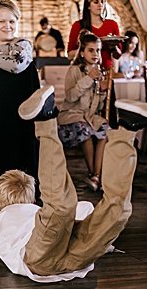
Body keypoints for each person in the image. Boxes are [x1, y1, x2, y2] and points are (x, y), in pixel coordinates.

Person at [0, 80, 147, 280]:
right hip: (69, 256)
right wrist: (102, 238)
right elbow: (85, 207)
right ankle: (126, 129)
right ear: (30, 196)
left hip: (41, 257)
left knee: (66, 207)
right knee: (114, 210)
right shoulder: (31, 211)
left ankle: (48, 120)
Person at [0, 0, 40, 184]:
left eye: (12, 21)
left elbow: (17, 65)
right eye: (2, 21)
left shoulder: (23, 44)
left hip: (19, 109)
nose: (7, 26)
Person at [58, 30, 111, 190]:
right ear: (82, 52)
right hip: (71, 116)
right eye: (91, 50)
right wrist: (89, 79)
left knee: (105, 131)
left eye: (98, 50)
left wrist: (102, 92)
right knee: (85, 131)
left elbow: (98, 106)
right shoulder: (74, 71)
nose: (95, 54)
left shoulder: (99, 72)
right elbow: (71, 96)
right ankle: (92, 173)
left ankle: (96, 175)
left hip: (89, 116)